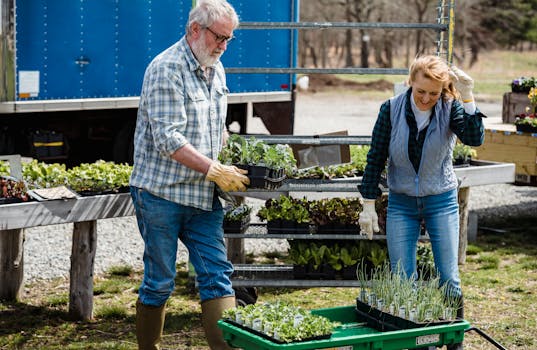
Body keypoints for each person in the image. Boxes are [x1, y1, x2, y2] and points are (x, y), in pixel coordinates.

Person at [129, 1, 249, 349]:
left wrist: (233, 152)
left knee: (217, 277)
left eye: (229, 39)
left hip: (201, 196)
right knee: (160, 281)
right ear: (195, 29)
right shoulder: (165, 69)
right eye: (219, 37)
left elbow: (216, 126)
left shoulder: (216, 68)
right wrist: (214, 169)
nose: (223, 46)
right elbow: (168, 138)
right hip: (160, 194)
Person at [358, 55, 485, 350]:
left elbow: (474, 138)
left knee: (448, 277)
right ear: (410, 82)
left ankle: (453, 342)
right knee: (403, 278)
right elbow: (376, 157)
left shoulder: (449, 107)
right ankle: (420, 342)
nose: (427, 98)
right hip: (402, 203)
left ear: (443, 91)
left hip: (440, 200)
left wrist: (467, 98)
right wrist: (368, 204)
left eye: (434, 93)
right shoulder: (390, 110)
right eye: (421, 91)